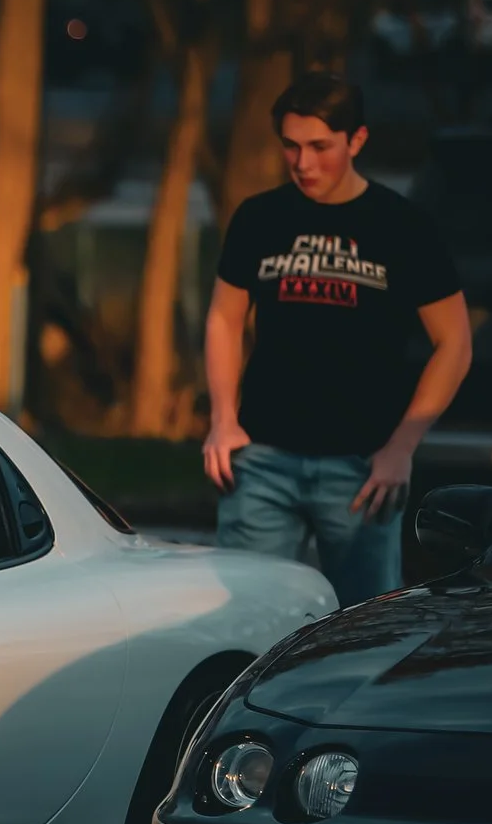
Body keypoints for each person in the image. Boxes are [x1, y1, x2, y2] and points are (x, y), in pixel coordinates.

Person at [202, 72, 472, 606]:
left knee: (360, 629)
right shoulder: (261, 218)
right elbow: (224, 320)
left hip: (362, 470)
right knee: (246, 618)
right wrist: (222, 421)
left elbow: (455, 344)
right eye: (292, 146)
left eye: (320, 147)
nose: (304, 163)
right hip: (262, 462)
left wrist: (401, 448)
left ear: (357, 140)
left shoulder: (401, 226)